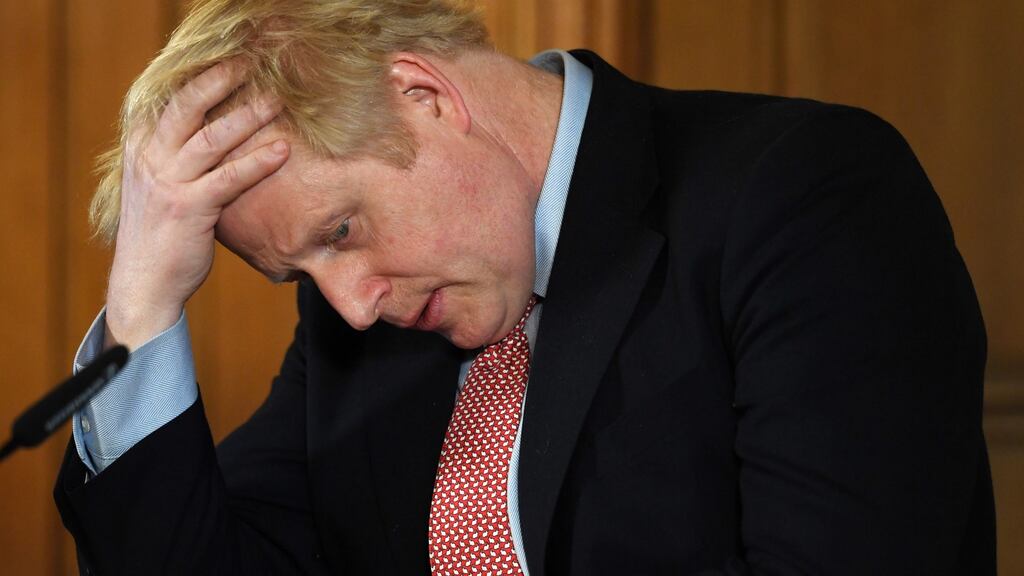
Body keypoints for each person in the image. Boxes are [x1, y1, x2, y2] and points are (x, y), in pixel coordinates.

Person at [54, 0, 995, 574]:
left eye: (339, 232)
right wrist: (142, 310)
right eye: (299, 272)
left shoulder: (802, 193)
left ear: (422, 95)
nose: (347, 302)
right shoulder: (363, 315)